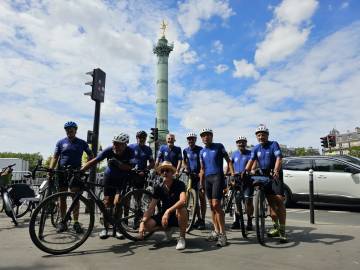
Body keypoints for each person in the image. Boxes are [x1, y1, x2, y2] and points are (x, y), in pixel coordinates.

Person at [81, 132, 134, 239]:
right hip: (109, 178)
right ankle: (105, 228)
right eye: (114, 143)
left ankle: (118, 228)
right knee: (107, 204)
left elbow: (129, 167)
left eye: (118, 144)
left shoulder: (130, 151)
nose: (115, 146)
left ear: (125, 144)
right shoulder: (109, 150)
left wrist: (118, 163)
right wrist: (81, 170)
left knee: (118, 203)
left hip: (122, 179)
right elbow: (94, 161)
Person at [245, 124, 288, 243]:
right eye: (258, 135)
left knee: (279, 201)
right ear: (256, 137)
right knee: (271, 204)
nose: (261, 137)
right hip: (263, 176)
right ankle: (276, 227)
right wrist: (246, 171)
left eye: (263, 134)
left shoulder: (273, 144)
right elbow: (251, 160)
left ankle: (283, 231)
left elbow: (279, 158)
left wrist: (275, 170)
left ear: (267, 135)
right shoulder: (255, 148)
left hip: (275, 175)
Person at [49, 121, 93, 234]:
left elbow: (91, 155)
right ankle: (63, 221)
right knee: (62, 197)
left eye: (71, 129)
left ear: (75, 130)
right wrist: (51, 169)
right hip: (61, 172)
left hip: (75, 172)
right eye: (67, 129)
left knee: (75, 198)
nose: (69, 131)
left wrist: (84, 167)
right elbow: (55, 157)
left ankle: (75, 222)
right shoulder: (60, 142)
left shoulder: (82, 142)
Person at [138, 161, 188, 250]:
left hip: (176, 214)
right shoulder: (159, 187)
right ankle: (168, 230)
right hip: (165, 216)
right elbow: (151, 208)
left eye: (167, 170)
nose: (165, 173)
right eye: (162, 171)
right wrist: (142, 222)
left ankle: (181, 238)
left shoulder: (179, 184)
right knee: (147, 225)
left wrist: (168, 211)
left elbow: (183, 200)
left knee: (182, 209)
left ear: (172, 172)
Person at [199, 128, 234, 247]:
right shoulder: (202, 151)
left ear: (211, 136)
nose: (205, 137)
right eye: (203, 136)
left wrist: (232, 175)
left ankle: (223, 235)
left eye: (208, 135)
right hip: (207, 180)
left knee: (216, 205)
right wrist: (201, 183)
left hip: (218, 177)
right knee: (212, 207)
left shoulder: (219, 146)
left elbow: (229, 161)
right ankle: (216, 231)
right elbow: (202, 169)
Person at [182, 132, 206, 230]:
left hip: (200, 176)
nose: (190, 140)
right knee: (194, 200)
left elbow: (203, 163)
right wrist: (186, 167)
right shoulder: (185, 150)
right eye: (189, 139)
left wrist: (201, 173)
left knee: (201, 197)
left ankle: (202, 220)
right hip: (190, 176)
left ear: (195, 140)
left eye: (192, 139)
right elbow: (184, 160)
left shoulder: (200, 149)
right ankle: (197, 219)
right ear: (187, 140)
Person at [230, 136, 254, 231]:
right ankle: (237, 221)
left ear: (246, 143)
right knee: (237, 201)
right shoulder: (234, 154)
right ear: (237, 144)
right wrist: (229, 173)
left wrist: (252, 170)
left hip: (247, 180)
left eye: (243, 142)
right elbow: (230, 164)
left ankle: (249, 221)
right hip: (237, 180)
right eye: (239, 142)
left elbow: (254, 163)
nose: (241, 144)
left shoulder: (250, 153)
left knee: (248, 201)